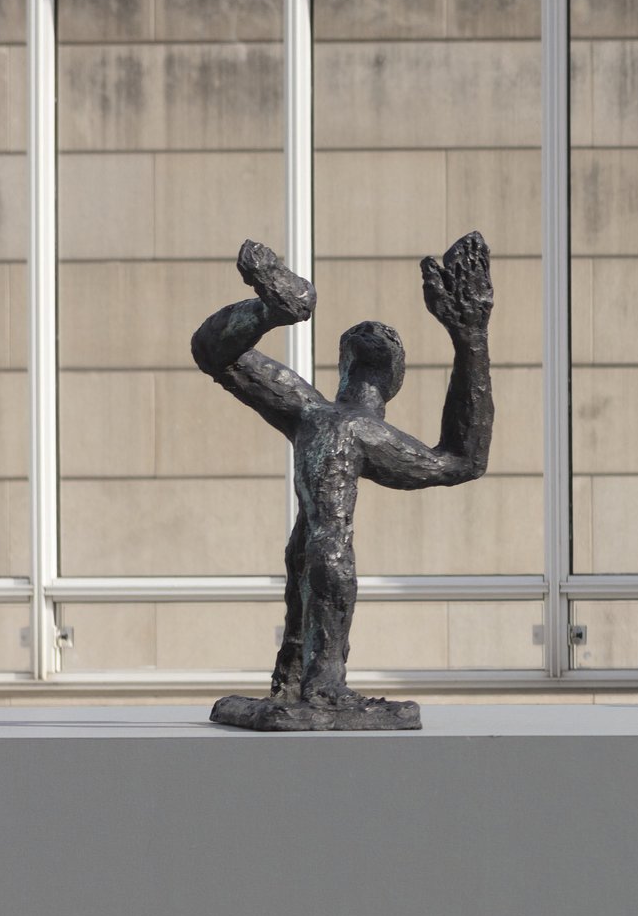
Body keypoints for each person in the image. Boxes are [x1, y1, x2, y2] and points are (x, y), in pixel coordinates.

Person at [189, 233, 494, 729]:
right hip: (339, 493)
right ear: (394, 381)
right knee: (327, 541)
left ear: (345, 368)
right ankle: (323, 684)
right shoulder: (367, 431)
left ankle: (298, 679)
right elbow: (463, 460)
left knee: (313, 542)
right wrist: (471, 340)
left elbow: (213, 354)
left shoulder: (310, 407)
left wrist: (270, 311)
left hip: (316, 424)